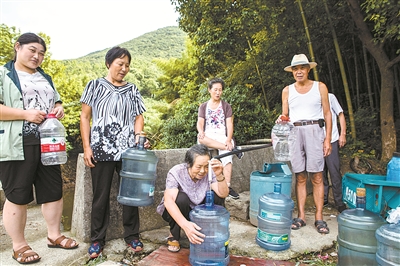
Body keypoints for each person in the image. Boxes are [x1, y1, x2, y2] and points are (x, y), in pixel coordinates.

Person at [0, 33, 79, 264]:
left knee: (53, 189)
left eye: (41, 53)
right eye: (32, 50)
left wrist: (59, 106)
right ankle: (19, 245)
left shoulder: (45, 76)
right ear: (17, 47)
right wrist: (26, 114)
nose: (37, 56)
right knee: (18, 193)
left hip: (48, 142)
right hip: (18, 142)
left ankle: (54, 235)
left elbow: (54, 99)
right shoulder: (4, 74)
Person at [80, 46, 149, 259]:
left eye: (127, 65)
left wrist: (139, 137)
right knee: (100, 196)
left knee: (130, 195)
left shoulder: (132, 89)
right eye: (120, 64)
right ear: (109, 63)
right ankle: (97, 239)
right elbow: (84, 117)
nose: (124, 68)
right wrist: (87, 147)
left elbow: (138, 117)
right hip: (101, 149)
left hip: (128, 150)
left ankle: (132, 235)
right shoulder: (94, 85)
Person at [277, 54, 332, 234]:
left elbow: (328, 114)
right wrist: (281, 119)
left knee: (317, 176)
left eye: (302, 68)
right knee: (300, 176)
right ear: (292, 71)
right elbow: (286, 115)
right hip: (295, 132)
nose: (299, 71)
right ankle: (301, 216)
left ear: (308, 69)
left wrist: (328, 139)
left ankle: (319, 217)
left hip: (315, 130)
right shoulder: (287, 90)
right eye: (295, 68)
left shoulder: (320, 87)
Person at [156, 144, 229, 252]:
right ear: (189, 164)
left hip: (199, 211)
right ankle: (174, 234)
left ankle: (210, 231)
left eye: (206, 167)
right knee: (180, 198)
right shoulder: (176, 172)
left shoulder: (210, 171)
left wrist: (219, 175)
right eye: (199, 167)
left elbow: (223, 194)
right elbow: (169, 201)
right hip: (179, 210)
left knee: (216, 196)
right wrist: (185, 225)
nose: (202, 171)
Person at [196, 77, 242, 200]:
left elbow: (229, 124)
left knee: (228, 149)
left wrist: (228, 140)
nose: (218, 92)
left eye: (220, 90)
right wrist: (201, 132)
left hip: (222, 136)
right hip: (208, 136)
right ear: (209, 90)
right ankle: (230, 148)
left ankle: (227, 186)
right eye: (215, 90)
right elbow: (200, 123)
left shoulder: (226, 106)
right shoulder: (204, 106)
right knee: (201, 139)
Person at [323, 93, 347, 213]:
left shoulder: (330, 97)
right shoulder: (309, 98)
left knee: (334, 171)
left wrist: (343, 134)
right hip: (316, 141)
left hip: (332, 139)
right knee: (320, 172)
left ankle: (339, 202)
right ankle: (323, 200)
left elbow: (340, 114)